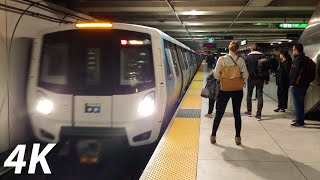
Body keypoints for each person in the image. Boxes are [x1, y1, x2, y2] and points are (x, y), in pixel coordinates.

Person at [210, 41, 249, 145]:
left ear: (229, 48)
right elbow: (246, 76)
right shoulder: (240, 60)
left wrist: (223, 78)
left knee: (219, 113)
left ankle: (213, 135)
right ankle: (237, 137)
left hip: (224, 89)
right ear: (237, 49)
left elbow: (216, 75)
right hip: (237, 90)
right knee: (237, 113)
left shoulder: (221, 59)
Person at [290, 43, 314, 127]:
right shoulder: (307, 60)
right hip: (304, 85)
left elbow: (295, 73)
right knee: (300, 103)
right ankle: (299, 118)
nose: (293, 52)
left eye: (293, 50)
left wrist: (292, 83)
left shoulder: (298, 60)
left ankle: (299, 121)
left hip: (297, 85)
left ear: (296, 50)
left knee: (297, 104)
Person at [244, 44, 269, 120]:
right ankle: (258, 114)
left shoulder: (247, 57)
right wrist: (266, 79)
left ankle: (249, 111)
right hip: (260, 79)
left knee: (249, 95)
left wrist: (244, 79)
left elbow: (245, 69)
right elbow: (267, 69)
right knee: (260, 96)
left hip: (250, 78)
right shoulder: (263, 57)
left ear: (250, 49)